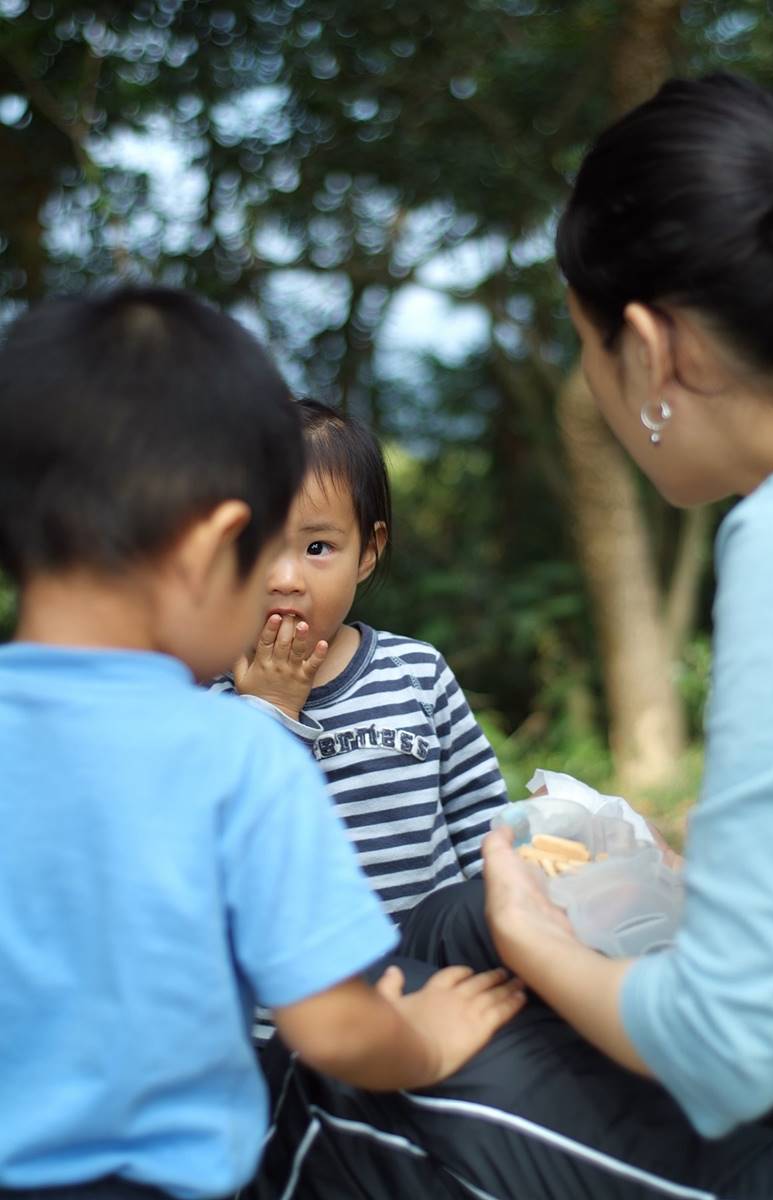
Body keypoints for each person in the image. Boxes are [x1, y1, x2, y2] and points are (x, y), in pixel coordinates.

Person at [259, 73, 773, 1198]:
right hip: (315, 999)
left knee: (422, 1044)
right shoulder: (213, 704)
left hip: (705, 1066)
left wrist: (536, 938)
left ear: (650, 347)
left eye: (585, 346)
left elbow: (731, 1043)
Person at [0, 285, 526, 1200]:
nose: (280, 586)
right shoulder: (235, 748)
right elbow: (334, 1028)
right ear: (215, 547)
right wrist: (427, 1040)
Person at [210, 398, 508, 923]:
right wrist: (269, 709)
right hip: (306, 971)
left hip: (435, 958)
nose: (286, 579)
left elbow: (481, 818)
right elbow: (221, 848)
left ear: (367, 552)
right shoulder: (207, 698)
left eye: (318, 548)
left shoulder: (417, 674)